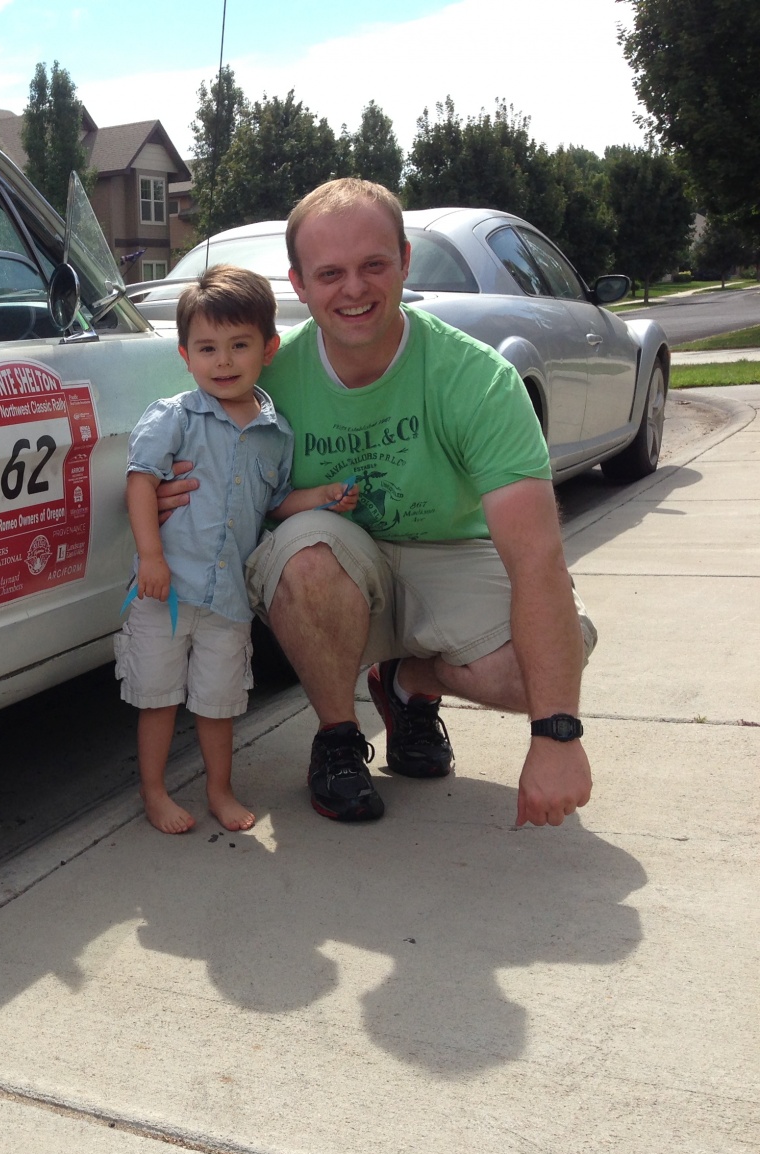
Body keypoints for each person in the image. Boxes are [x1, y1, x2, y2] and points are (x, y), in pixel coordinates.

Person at [156, 179, 596, 829]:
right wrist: (173, 488)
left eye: (373, 265)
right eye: (330, 273)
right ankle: (338, 738)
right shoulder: (263, 377)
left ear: (405, 263)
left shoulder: (476, 379)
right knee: (305, 553)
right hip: (333, 564)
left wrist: (557, 734)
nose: (353, 289)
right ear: (299, 284)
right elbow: (196, 445)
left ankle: (410, 682)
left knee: (556, 663)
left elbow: (536, 556)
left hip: (447, 553)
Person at [121, 265, 357, 835]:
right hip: (165, 590)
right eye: (207, 348)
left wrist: (320, 498)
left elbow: (273, 503)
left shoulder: (277, 433)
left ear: (268, 349)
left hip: (228, 601)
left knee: (218, 702)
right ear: (185, 355)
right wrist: (150, 557)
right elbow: (140, 481)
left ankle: (219, 790)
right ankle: (154, 791)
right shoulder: (175, 417)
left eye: (239, 345)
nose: (222, 361)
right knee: (158, 698)